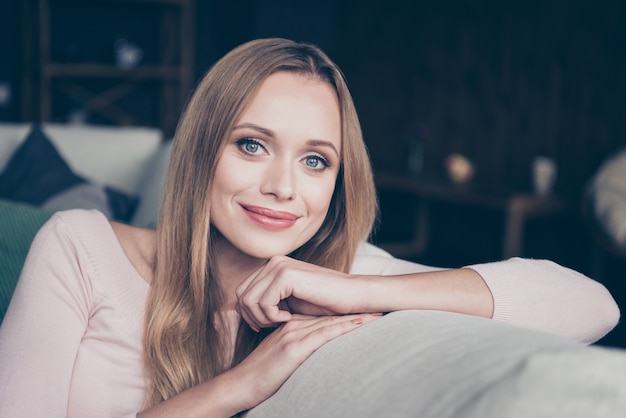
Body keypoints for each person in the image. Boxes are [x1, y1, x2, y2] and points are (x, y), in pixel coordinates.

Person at [0, 38, 620, 418]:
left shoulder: (334, 275)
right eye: (251, 145)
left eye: (316, 160)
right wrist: (234, 390)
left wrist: (362, 289)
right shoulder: (79, 246)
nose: (284, 187)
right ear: (200, 152)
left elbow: (591, 305)